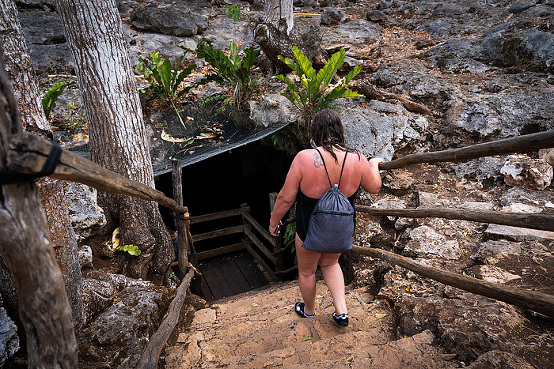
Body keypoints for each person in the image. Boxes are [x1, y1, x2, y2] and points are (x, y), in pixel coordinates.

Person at [269, 109, 383, 327]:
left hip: (307, 230)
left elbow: (285, 198)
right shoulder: (357, 158)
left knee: (307, 271)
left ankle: (309, 311)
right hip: (340, 228)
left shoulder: (304, 158)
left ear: (315, 132)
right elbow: (375, 187)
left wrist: (274, 223)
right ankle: (341, 312)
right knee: (331, 263)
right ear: (339, 130)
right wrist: (374, 164)